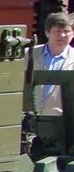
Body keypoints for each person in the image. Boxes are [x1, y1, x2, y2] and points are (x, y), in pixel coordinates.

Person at [30, 11, 73, 159]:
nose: (61, 36)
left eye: (66, 31)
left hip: (63, 125)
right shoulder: (29, 55)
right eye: (57, 31)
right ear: (47, 32)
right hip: (31, 123)